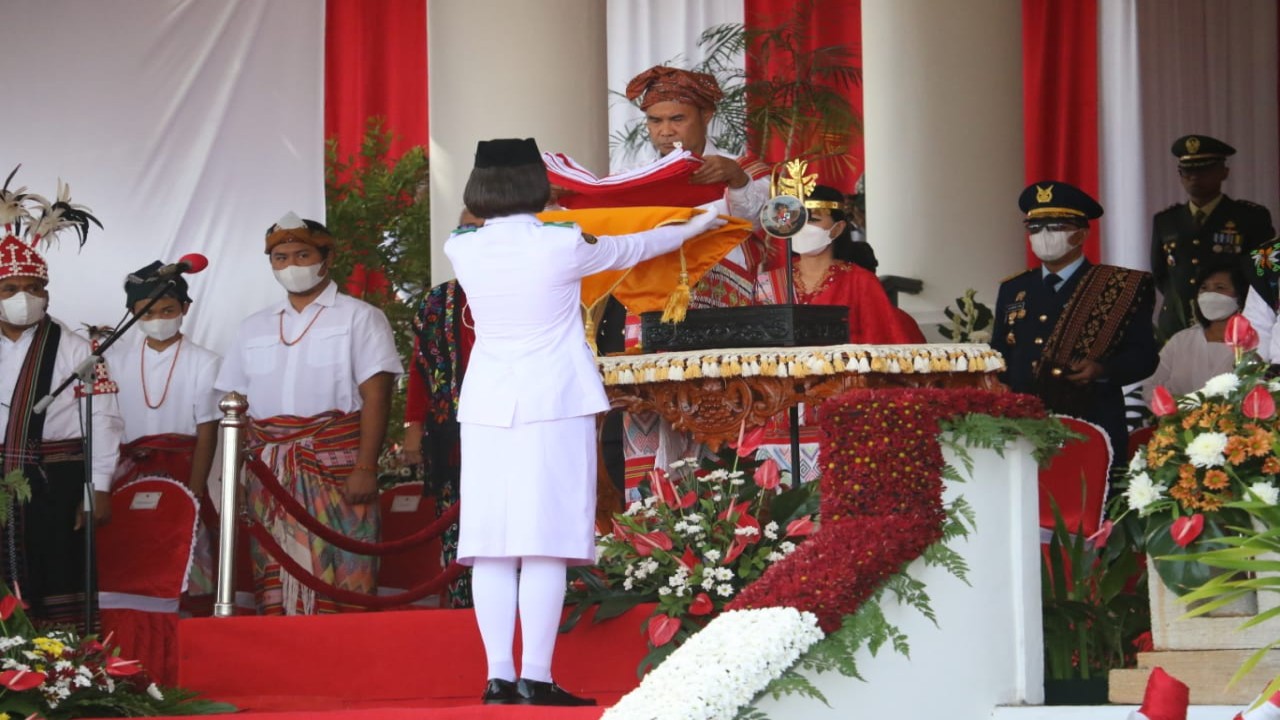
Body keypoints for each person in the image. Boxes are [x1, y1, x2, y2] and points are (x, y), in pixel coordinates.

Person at [445, 138, 725, 706]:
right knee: (544, 543)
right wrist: (701, 221)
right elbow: (639, 244)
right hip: (554, 401)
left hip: (489, 404)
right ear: (536, 184)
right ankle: (536, 676)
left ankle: (498, 677)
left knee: (492, 546)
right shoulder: (562, 242)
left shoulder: (461, 247)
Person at [215, 212, 402, 615]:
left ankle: (343, 651)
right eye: (280, 258)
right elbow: (235, 406)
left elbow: (377, 397)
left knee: (345, 572)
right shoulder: (253, 327)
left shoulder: (360, 317)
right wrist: (235, 474)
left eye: (302, 255)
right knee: (273, 577)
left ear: (327, 258)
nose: (291, 266)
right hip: (269, 474)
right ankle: (284, 649)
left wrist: (366, 467)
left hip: (337, 466)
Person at [0, 175, 123, 628]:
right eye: (10, 289)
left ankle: (64, 664)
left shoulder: (77, 350)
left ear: (47, 293)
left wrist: (98, 488)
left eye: (34, 288)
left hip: (58, 480)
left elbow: (104, 420)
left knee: (58, 574)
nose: (24, 298)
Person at [750, 184, 923, 483]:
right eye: (797, 219)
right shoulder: (768, 283)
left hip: (846, 418)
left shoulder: (861, 282)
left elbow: (886, 348)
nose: (803, 227)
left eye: (814, 219)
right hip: (779, 418)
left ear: (838, 228)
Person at [990, 181, 1157, 465]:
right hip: (1024, 423)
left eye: (1056, 227)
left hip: (1091, 419)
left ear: (1081, 234)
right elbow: (999, 353)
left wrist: (1103, 370)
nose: (1043, 236)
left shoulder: (1119, 286)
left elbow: (1144, 357)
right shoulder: (1014, 288)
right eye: (1035, 228)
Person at [108, 261, 221, 601]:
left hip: (183, 472)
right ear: (133, 314)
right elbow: (107, 427)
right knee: (131, 564)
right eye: (148, 312)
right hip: (127, 474)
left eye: (168, 310)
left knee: (184, 558)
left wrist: (195, 493)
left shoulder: (205, 361)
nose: (158, 319)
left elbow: (207, 432)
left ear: (184, 308)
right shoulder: (114, 361)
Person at [402, 210, 481, 609]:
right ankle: (463, 609)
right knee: (458, 527)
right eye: (465, 228)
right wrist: (413, 428)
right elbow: (420, 368)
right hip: (454, 440)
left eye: (481, 228)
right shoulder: (437, 300)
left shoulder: (532, 290)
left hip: (519, 434)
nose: (472, 236)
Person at [1150, 134, 1273, 342]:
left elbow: (1263, 273)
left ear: (1224, 172)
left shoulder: (1250, 217)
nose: (1194, 177)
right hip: (1178, 322)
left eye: (1203, 170)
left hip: (1233, 321)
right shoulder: (1166, 220)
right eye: (1188, 171)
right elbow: (1161, 274)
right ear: (1180, 175)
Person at [1143, 261, 1247, 401]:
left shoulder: (1253, 342)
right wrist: (1178, 409)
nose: (1210, 294)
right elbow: (1151, 387)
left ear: (1240, 296)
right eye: (1204, 288)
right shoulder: (1182, 341)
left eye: (1220, 287)